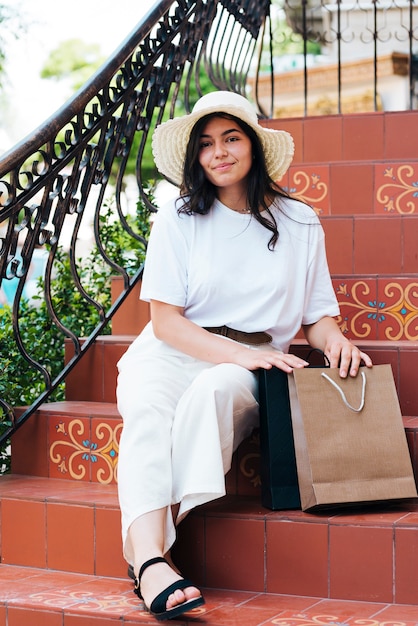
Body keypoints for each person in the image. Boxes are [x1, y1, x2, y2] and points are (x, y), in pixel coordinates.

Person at [116, 90, 372, 621]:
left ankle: (148, 550)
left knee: (213, 392)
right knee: (146, 412)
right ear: (195, 157)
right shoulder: (178, 218)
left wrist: (337, 340)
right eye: (206, 144)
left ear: (253, 144)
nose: (219, 153)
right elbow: (164, 322)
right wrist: (234, 352)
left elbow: (318, 318)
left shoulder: (300, 221)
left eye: (231, 137)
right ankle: (149, 562)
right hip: (175, 347)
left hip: (253, 359)